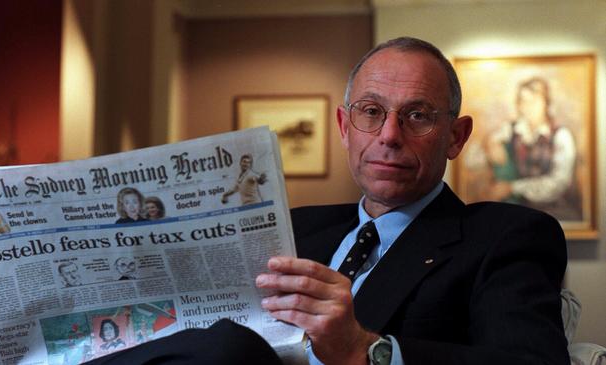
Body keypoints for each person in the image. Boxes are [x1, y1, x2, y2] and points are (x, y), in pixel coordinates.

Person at [85, 37, 569, 365]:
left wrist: (366, 349)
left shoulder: (503, 237)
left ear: (456, 137)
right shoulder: (295, 229)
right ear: (344, 127)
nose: (389, 136)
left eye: (417, 116)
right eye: (371, 113)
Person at [485, 76, 580, 220]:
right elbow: (471, 159)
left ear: (546, 103)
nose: (528, 107)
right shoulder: (512, 130)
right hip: (519, 211)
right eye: (523, 101)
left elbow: (558, 184)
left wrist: (512, 188)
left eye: (534, 101)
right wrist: (490, 142)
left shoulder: (561, 136)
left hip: (553, 212)